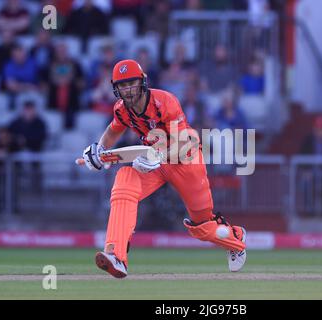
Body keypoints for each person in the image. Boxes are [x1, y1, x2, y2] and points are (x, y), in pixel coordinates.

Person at [80, 59, 247, 278]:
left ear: (142, 83)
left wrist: (157, 156)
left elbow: (182, 143)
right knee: (124, 179)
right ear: (115, 88)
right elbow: (113, 131)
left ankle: (235, 239)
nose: (127, 90)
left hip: (185, 160)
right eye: (122, 85)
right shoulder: (122, 110)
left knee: (203, 226)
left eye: (131, 83)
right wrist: (99, 150)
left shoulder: (165, 102)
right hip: (154, 163)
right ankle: (117, 256)